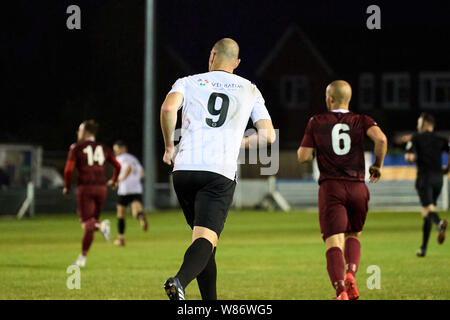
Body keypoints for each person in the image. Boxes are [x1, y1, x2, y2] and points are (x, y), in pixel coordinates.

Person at [160, 38, 275, 300]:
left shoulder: (188, 81)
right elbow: (269, 136)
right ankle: (178, 281)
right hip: (218, 172)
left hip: (184, 169)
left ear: (212, 56)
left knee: (204, 241)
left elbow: (168, 108)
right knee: (205, 240)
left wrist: (169, 147)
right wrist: (243, 142)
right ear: (236, 62)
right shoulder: (249, 89)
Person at [297, 80, 387, 300]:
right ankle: (351, 274)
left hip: (331, 187)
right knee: (354, 234)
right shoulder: (361, 120)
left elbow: (303, 156)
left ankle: (340, 292)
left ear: (329, 98)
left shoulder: (316, 121)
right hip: (358, 186)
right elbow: (381, 139)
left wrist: (318, 149)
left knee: (333, 241)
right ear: (348, 98)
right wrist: (377, 165)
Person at [63, 120, 121, 267]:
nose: (78, 133)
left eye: (80, 130)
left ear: (87, 132)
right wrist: (114, 180)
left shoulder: (76, 148)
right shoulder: (103, 147)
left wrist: (67, 186)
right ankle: (82, 257)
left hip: (86, 188)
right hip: (101, 188)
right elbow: (117, 165)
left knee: (86, 223)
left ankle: (102, 226)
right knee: (91, 224)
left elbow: (69, 170)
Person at [405, 113, 449, 257]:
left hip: (425, 178)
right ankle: (423, 248)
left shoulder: (416, 137)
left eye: (419, 122)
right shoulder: (440, 139)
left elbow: (409, 157)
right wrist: (447, 168)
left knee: (427, 211)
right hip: (439, 179)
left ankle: (440, 222)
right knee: (427, 213)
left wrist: (411, 158)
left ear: (423, 123)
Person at [112, 140, 147, 246]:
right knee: (135, 212)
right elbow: (142, 173)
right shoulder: (133, 158)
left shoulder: (120, 158)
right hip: (136, 188)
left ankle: (121, 239)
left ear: (123, 149)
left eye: (116, 150)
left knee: (121, 214)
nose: (115, 152)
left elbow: (128, 168)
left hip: (125, 189)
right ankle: (141, 216)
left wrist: (119, 180)